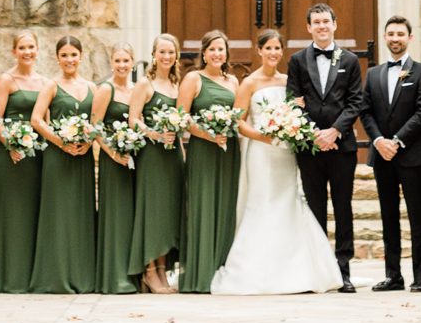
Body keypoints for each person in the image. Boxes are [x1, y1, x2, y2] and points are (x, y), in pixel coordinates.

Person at [211, 29, 341, 294]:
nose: (273, 53)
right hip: (260, 152)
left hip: (285, 153)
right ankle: (255, 269)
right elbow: (237, 122)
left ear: (282, 52)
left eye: (277, 49)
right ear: (259, 51)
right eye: (268, 48)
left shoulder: (288, 81)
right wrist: (264, 137)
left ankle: (294, 267)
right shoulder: (249, 83)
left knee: (288, 201)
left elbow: (301, 113)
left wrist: (292, 132)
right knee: (262, 202)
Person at [283, 3, 366, 293]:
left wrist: (334, 132)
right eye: (316, 22)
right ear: (308, 28)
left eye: (325, 21)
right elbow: (293, 99)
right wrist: (313, 133)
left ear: (334, 25)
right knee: (315, 208)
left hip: (341, 147)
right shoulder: (297, 60)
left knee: (343, 207)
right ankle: (317, 270)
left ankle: (343, 271)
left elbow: (356, 101)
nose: (321, 26)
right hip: (310, 147)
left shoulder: (351, 60)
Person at [362, 14, 421, 292]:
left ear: (409, 38)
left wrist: (398, 140)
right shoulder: (373, 74)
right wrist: (379, 140)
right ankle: (393, 275)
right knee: (388, 215)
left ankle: (419, 275)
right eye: (390, 34)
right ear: (385, 37)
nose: (395, 39)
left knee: (417, 216)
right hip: (382, 155)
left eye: (400, 34)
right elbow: (365, 110)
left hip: (411, 155)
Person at [30, 34, 106, 292]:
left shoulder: (92, 87)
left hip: (82, 157)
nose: (69, 59)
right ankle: (55, 276)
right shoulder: (51, 86)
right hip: (58, 157)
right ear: (57, 57)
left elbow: (97, 122)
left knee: (80, 213)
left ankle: (83, 277)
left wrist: (88, 141)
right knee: (58, 214)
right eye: (64, 55)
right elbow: (37, 120)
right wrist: (61, 142)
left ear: (81, 57)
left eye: (74, 55)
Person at [178, 28, 240, 293]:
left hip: (228, 151)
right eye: (212, 49)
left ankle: (220, 269)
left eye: (221, 49)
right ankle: (200, 275)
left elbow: (239, 116)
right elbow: (181, 116)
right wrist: (207, 134)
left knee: (226, 205)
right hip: (203, 151)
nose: (217, 54)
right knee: (203, 206)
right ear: (204, 53)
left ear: (226, 54)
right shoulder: (193, 78)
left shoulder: (234, 82)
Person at [129, 31, 185, 294]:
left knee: (167, 212)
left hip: (172, 155)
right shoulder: (145, 84)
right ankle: (149, 271)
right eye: (162, 52)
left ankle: (163, 269)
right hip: (152, 155)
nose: (166, 56)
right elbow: (133, 119)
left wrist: (180, 149)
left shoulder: (177, 85)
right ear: (153, 55)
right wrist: (154, 133)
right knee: (152, 210)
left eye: (171, 52)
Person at [0, 29, 46, 293]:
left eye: (31, 47)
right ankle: (11, 278)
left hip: (37, 156)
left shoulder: (43, 82)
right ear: (14, 51)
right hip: (12, 156)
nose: (27, 52)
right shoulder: (6, 80)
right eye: (22, 48)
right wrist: (10, 143)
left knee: (34, 212)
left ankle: (31, 276)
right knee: (13, 214)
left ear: (37, 50)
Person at [96, 42, 139, 295]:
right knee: (116, 215)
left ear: (133, 62)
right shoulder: (105, 89)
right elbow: (96, 126)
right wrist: (113, 152)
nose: (122, 65)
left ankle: (131, 276)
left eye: (126, 61)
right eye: (118, 61)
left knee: (131, 215)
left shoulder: (136, 89)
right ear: (111, 63)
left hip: (133, 159)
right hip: (113, 160)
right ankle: (113, 277)